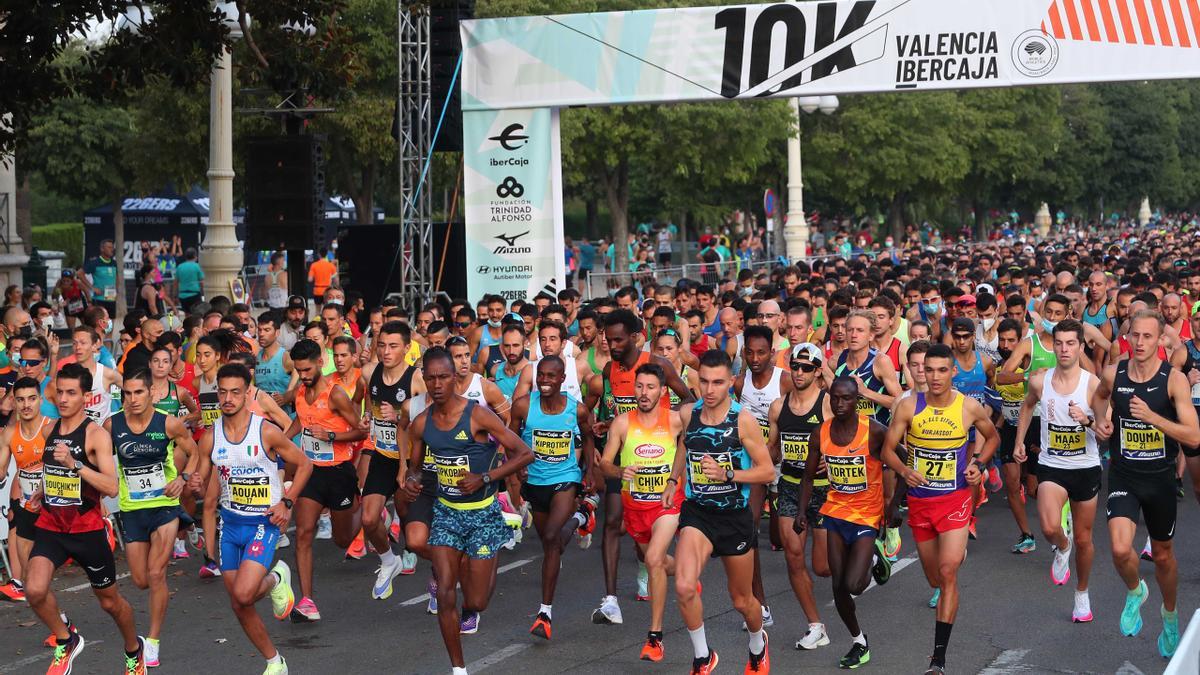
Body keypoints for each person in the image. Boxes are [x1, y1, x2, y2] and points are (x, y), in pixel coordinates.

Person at [403, 347, 534, 675]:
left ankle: (498, 540)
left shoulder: (476, 415)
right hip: (447, 513)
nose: (436, 384)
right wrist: (412, 482)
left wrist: (485, 478)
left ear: (454, 378)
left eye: (443, 377)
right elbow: (415, 470)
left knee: (475, 602)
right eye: (430, 377)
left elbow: (524, 453)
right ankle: (458, 669)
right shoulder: (420, 424)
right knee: (446, 594)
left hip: (483, 513)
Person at [884, 343, 999, 675]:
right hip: (921, 502)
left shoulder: (969, 407)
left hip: (956, 499)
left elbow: (991, 438)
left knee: (947, 573)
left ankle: (938, 659)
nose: (933, 376)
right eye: (928, 369)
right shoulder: (907, 407)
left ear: (952, 373)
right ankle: (955, 553)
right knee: (935, 577)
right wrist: (905, 471)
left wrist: (978, 462)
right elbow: (888, 450)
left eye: (941, 370)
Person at [25, 363, 146, 675]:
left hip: (87, 530)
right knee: (34, 589)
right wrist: (40, 491)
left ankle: (134, 649)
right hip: (52, 525)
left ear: (86, 397)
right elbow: (54, 472)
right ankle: (66, 640)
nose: (63, 399)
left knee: (110, 602)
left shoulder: (95, 436)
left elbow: (111, 486)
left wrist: (76, 463)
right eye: (60, 392)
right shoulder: (50, 429)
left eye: (71, 393)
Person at [1093, 309, 1200, 656]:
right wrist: (1101, 421)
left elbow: (1194, 435)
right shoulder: (1115, 372)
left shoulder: (1174, 380)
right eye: (1134, 335)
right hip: (1124, 474)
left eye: (1147, 337)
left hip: (1161, 478)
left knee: (1165, 556)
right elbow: (1100, 396)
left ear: (1160, 341)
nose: (1139, 343)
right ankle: (1136, 590)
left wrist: (1153, 417)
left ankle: (1169, 617)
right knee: (1121, 549)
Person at [194, 363, 311, 675]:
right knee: (238, 602)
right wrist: (191, 481)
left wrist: (287, 502)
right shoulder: (210, 437)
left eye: (236, 392)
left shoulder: (266, 431)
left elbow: (305, 464)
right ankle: (275, 661)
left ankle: (276, 577)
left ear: (248, 393)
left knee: (245, 592)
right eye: (223, 392)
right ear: (216, 393)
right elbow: (201, 480)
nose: (228, 398)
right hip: (230, 525)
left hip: (263, 523)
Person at [670, 349, 776, 674]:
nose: (710, 390)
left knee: (742, 601)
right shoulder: (690, 413)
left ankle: (758, 644)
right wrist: (674, 479)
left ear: (731, 382)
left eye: (718, 382)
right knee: (685, 586)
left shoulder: (742, 419)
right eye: (704, 381)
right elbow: (684, 446)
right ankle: (703, 657)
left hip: (734, 516)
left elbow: (767, 471)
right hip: (698, 512)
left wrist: (729, 474)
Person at [586, 310, 693, 627]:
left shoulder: (658, 365)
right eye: (608, 339)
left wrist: (664, 417)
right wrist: (608, 425)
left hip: (659, 460)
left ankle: (670, 569)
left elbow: (689, 401)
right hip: (623, 460)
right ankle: (611, 600)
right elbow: (614, 408)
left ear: (635, 337)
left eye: (618, 339)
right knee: (612, 522)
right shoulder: (609, 370)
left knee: (646, 544)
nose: (612, 344)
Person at [104, 369, 199, 668]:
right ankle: (189, 524)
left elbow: (193, 452)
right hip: (132, 510)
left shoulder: (167, 423)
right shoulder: (112, 424)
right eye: (126, 394)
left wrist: (183, 478)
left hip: (164, 506)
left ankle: (153, 640)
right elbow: (101, 461)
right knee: (141, 580)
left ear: (151, 393)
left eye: (138, 393)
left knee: (157, 574)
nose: (132, 399)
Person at [798, 376, 892, 670]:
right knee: (838, 586)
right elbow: (809, 476)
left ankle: (875, 553)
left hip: (867, 514)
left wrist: (893, 503)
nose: (840, 404)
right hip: (835, 512)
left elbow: (901, 459)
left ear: (856, 400)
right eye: (835, 398)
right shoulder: (821, 433)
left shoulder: (874, 431)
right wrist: (802, 511)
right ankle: (859, 642)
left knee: (854, 584)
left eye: (846, 399)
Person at [1014, 319, 1103, 624]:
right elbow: (1027, 406)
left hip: (1086, 466)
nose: (1064, 349)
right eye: (1059, 343)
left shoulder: (1092, 384)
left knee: (1084, 539)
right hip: (1052, 465)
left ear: (1081, 346)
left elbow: (1107, 432)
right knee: (1051, 528)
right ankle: (1060, 547)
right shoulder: (1040, 380)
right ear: (1053, 345)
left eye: (1071, 343)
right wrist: (1019, 442)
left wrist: (1087, 421)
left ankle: (1082, 594)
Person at [599, 361, 687, 663]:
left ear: (663, 391)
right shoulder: (622, 423)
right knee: (661, 562)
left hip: (666, 504)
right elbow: (604, 463)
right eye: (639, 386)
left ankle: (655, 637)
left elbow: (688, 444)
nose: (643, 393)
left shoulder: (675, 420)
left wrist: (674, 479)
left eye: (650, 387)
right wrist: (620, 470)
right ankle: (687, 570)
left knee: (652, 561)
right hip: (634, 506)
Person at [509, 356, 595, 639]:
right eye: (540, 376)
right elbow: (510, 438)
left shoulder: (577, 410)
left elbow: (589, 436)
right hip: (534, 482)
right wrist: (517, 465)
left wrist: (589, 471)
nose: (544, 381)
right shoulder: (523, 405)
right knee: (552, 545)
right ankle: (582, 515)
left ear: (562, 379)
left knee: (550, 539)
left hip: (565, 479)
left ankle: (544, 612)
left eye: (550, 376)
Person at [282, 338, 367, 621]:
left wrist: (331, 436)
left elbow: (360, 432)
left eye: (307, 370)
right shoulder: (300, 393)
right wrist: (279, 441)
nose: (303, 376)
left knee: (342, 541)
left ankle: (364, 511)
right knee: (303, 533)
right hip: (311, 471)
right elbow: (300, 422)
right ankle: (307, 600)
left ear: (320, 362)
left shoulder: (336, 395)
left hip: (339, 472)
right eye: (299, 370)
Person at [767, 343, 833, 651]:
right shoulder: (778, 406)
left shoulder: (828, 404)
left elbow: (850, 441)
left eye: (807, 367)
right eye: (795, 366)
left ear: (818, 371)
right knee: (794, 557)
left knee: (822, 567)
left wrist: (829, 458)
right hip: (792, 486)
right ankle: (815, 625)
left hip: (824, 489)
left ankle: (868, 550)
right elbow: (773, 446)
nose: (799, 372)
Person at [361, 321, 423, 600]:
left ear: (407, 348)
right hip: (384, 456)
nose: (386, 351)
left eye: (393, 346)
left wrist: (398, 418)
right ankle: (389, 560)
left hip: (412, 460)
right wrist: (365, 415)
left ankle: (429, 572)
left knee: (411, 521)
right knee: (368, 518)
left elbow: (427, 423)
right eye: (382, 345)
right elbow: (362, 399)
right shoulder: (369, 372)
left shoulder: (416, 380)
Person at [0, 377, 54, 603]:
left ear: (40, 400)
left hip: (56, 511)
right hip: (29, 511)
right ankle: (63, 626)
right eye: (20, 400)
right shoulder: (10, 433)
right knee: (32, 581)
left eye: (31, 398)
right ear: (13, 402)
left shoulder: (51, 429)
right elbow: (1, 471)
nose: (26, 405)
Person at [82, 239, 119, 319]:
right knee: (99, 324)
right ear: (102, 249)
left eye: (112, 247)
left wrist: (116, 290)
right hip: (99, 299)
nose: (112, 249)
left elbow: (116, 277)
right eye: (109, 247)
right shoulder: (95, 262)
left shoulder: (114, 263)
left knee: (110, 325)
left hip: (111, 298)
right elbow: (79, 273)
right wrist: (92, 288)